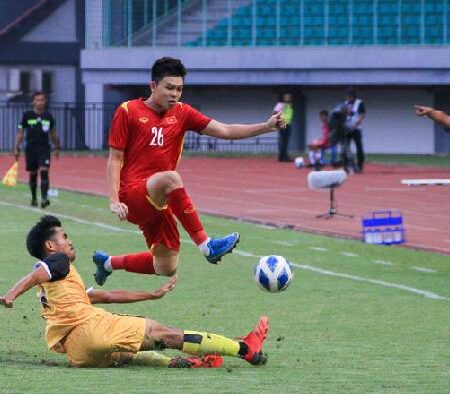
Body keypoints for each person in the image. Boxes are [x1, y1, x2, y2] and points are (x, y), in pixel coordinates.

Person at [93, 57, 285, 286]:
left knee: (166, 267)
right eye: (169, 88)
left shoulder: (183, 113)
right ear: (153, 86)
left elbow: (225, 130)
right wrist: (114, 200)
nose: (175, 94)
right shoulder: (128, 111)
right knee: (171, 178)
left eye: (179, 89)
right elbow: (115, 159)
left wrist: (266, 127)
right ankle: (207, 246)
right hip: (132, 196)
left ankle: (107, 263)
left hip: (160, 200)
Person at [0, 215, 269, 368]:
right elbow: (36, 274)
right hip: (90, 328)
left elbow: (105, 296)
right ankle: (244, 348)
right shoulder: (57, 262)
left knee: (128, 354)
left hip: (78, 352)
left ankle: (174, 364)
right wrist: (11, 294)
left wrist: (151, 294)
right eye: (63, 236)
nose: (69, 240)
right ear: (50, 245)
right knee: (165, 334)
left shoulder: (60, 284)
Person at [13, 91, 60, 208]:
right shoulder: (27, 115)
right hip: (31, 148)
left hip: (44, 147)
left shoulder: (48, 116)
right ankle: (34, 198)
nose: (39, 102)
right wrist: (16, 147)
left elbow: (53, 133)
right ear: (33, 102)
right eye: (37, 100)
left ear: (45, 101)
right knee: (33, 173)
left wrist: (57, 146)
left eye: (42, 100)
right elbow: (20, 132)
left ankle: (44, 198)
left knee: (44, 171)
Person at [344, 87, 366, 173]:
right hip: (347, 129)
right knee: (346, 147)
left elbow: (362, 115)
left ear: (353, 96)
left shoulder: (359, 103)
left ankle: (360, 165)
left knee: (359, 147)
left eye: (349, 96)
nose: (348, 98)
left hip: (356, 128)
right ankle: (346, 165)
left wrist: (356, 124)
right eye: (347, 96)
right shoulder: (345, 103)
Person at [273, 93, 294, 162]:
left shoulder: (289, 105)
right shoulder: (280, 104)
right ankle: (282, 157)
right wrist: (278, 121)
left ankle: (284, 156)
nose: (288, 98)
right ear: (283, 97)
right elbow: (274, 113)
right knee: (283, 141)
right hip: (283, 123)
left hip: (288, 124)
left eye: (289, 97)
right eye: (287, 97)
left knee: (286, 141)